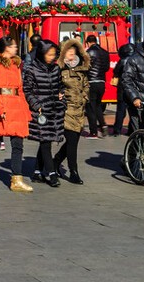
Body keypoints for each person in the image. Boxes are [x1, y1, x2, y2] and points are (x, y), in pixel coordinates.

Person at [0, 37, 32, 192]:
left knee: (18, 144)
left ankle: (16, 179)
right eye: (14, 46)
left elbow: (20, 88)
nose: (16, 49)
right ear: (6, 48)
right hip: (1, 104)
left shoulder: (16, 64)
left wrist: (25, 108)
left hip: (16, 105)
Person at [24, 39, 65, 186]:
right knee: (46, 141)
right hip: (41, 112)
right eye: (49, 54)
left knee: (45, 141)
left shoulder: (55, 69)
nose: (52, 57)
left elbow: (60, 86)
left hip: (55, 110)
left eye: (54, 54)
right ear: (42, 54)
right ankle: (52, 174)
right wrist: (36, 105)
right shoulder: (31, 69)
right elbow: (27, 90)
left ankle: (36, 172)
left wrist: (61, 94)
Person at [53, 38, 89, 184]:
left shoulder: (81, 68)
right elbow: (54, 86)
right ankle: (73, 171)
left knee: (73, 141)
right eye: (68, 51)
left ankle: (55, 161)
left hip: (80, 109)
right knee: (72, 140)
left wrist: (85, 97)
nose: (71, 54)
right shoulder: (58, 69)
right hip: (66, 109)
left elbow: (86, 85)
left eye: (74, 51)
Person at [83, 35, 110, 138]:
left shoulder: (88, 53)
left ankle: (93, 132)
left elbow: (85, 67)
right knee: (98, 105)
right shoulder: (105, 52)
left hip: (91, 82)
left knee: (90, 107)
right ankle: (103, 125)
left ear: (88, 42)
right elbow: (106, 68)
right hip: (101, 82)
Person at [109, 42, 136, 136]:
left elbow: (116, 71)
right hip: (133, 88)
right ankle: (132, 129)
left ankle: (117, 130)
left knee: (120, 111)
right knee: (133, 111)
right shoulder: (136, 60)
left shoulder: (122, 60)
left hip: (122, 88)